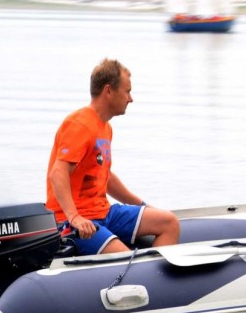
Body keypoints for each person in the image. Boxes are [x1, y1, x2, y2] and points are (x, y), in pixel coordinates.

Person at [46, 58, 180, 254]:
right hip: (75, 221)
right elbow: (58, 173)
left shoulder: (105, 128)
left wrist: (143, 206)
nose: (131, 98)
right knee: (126, 260)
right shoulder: (79, 124)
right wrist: (74, 217)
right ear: (108, 91)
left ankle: (156, 278)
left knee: (169, 222)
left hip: (104, 212)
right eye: (127, 91)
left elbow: (104, 177)